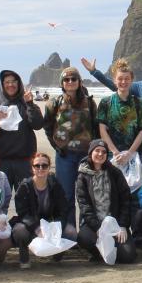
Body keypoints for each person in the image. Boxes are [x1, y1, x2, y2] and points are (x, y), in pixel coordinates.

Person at [43, 66, 97, 234]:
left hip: (85, 156)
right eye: (67, 79)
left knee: (86, 196)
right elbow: (47, 127)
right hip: (64, 157)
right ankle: (69, 233)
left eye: (74, 79)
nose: (70, 82)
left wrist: (93, 152)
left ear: (79, 82)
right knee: (66, 196)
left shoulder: (90, 102)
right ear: (62, 83)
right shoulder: (54, 103)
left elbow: (95, 127)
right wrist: (58, 147)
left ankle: (86, 232)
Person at [0, 70, 44, 190]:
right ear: (2, 85)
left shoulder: (27, 104)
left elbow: (38, 125)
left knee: (26, 202)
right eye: (7, 82)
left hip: (25, 162)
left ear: (19, 84)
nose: (10, 85)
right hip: (0, 162)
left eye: (14, 81)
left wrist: (29, 104)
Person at [75, 140, 137, 264]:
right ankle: (98, 252)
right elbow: (84, 206)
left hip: (115, 224)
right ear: (90, 153)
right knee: (84, 238)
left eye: (103, 152)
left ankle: (112, 247)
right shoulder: (83, 176)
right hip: (95, 224)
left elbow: (126, 200)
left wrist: (123, 225)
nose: (100, 154)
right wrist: (97, 228)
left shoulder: (115, 173)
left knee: (128, 257)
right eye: (97, 151)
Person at [10, 153, 72, 269]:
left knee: (71, 232)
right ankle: (24, 258)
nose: (40, 168)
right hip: (31, 223)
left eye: (44, 165)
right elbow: (22, 213)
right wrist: (37, 228)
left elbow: (63, 209)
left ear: (49, 167)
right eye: (37, 165)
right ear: (32, 168)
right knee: (19, 230)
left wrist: (56, 226)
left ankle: (56, 256)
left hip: (50, 222)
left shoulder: (54, 184)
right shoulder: (25, 186)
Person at [96, 58, 142, 167]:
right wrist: (115, 152)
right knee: (112, 184)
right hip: (111, 155)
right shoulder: (106, 102)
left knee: (134, 184)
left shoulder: (140, 103)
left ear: (131, 80)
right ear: (114, 80)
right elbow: (102, 129)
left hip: (135, 155)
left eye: (127, 78)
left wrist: (129, 153)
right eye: (120, 79)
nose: (123, 82)